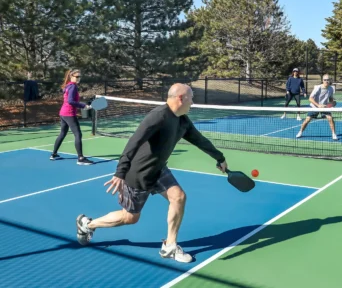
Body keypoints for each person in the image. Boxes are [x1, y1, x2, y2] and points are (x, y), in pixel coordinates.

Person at [76, 83, 228, 263]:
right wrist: (120, 172)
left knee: (178, 197)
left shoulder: (182, 120)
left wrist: (219, 157)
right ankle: (87, 224)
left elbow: (199, 140)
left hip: (159, 168)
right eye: (191, 98)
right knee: (130, 218)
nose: (193, 103)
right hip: (139, 173)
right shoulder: (158, 117)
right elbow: (134, 142)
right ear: (180, 98)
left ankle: (170, 246)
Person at [50, 69, 94, 165]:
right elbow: (70, 101)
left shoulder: (68, 86)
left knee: (62, 133)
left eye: (80, 76)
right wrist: (83, 106)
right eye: (77, 76)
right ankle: (80, 158)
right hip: (69, 113)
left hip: (63, 113)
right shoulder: (72, 87)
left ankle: (53, 154)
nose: (78, 78)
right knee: (78, 134)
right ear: (71, 76)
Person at [296, 74, 338, 140]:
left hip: (324, 107)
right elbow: (310, 98)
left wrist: (331, 104)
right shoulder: (318, 88)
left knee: (330, 119)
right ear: (322, 80)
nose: (326, 81)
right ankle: (300, 131)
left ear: (329, 80)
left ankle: (333, 134)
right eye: (325, 80)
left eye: (327, 80)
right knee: (307, 120)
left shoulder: (331, 89)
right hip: (314, 107)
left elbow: (330, 98)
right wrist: (318, 105)